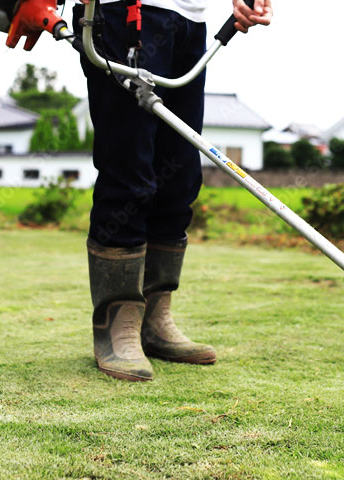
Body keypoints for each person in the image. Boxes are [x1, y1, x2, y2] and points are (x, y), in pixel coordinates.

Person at [72, 0, 272, 381]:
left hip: (189, 19)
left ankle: (155, 320)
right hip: (123, 13)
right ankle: (118, 324)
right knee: (128, 174)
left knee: (179, 177)